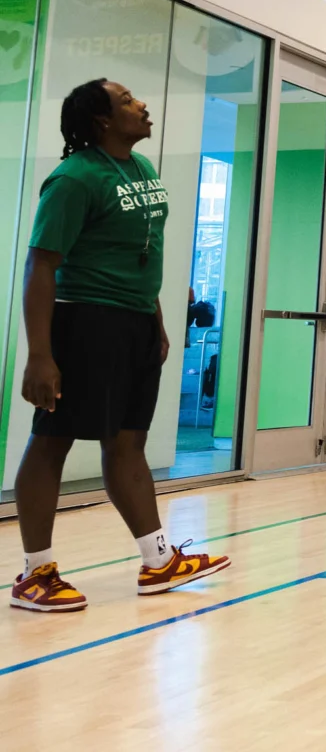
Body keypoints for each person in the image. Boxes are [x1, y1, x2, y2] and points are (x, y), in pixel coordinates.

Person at [10, 79, 231, 614]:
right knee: (53, 440)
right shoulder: (73, 179)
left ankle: (158, 561)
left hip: (133, 324)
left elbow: (143, 251)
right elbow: (41, 265)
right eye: (128, 101)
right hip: (84, 322)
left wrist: (153, 318)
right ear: (102, 120)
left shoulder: (141, 169)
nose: (143, 105)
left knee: (128, 444)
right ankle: (34, 574)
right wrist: (40, 353)